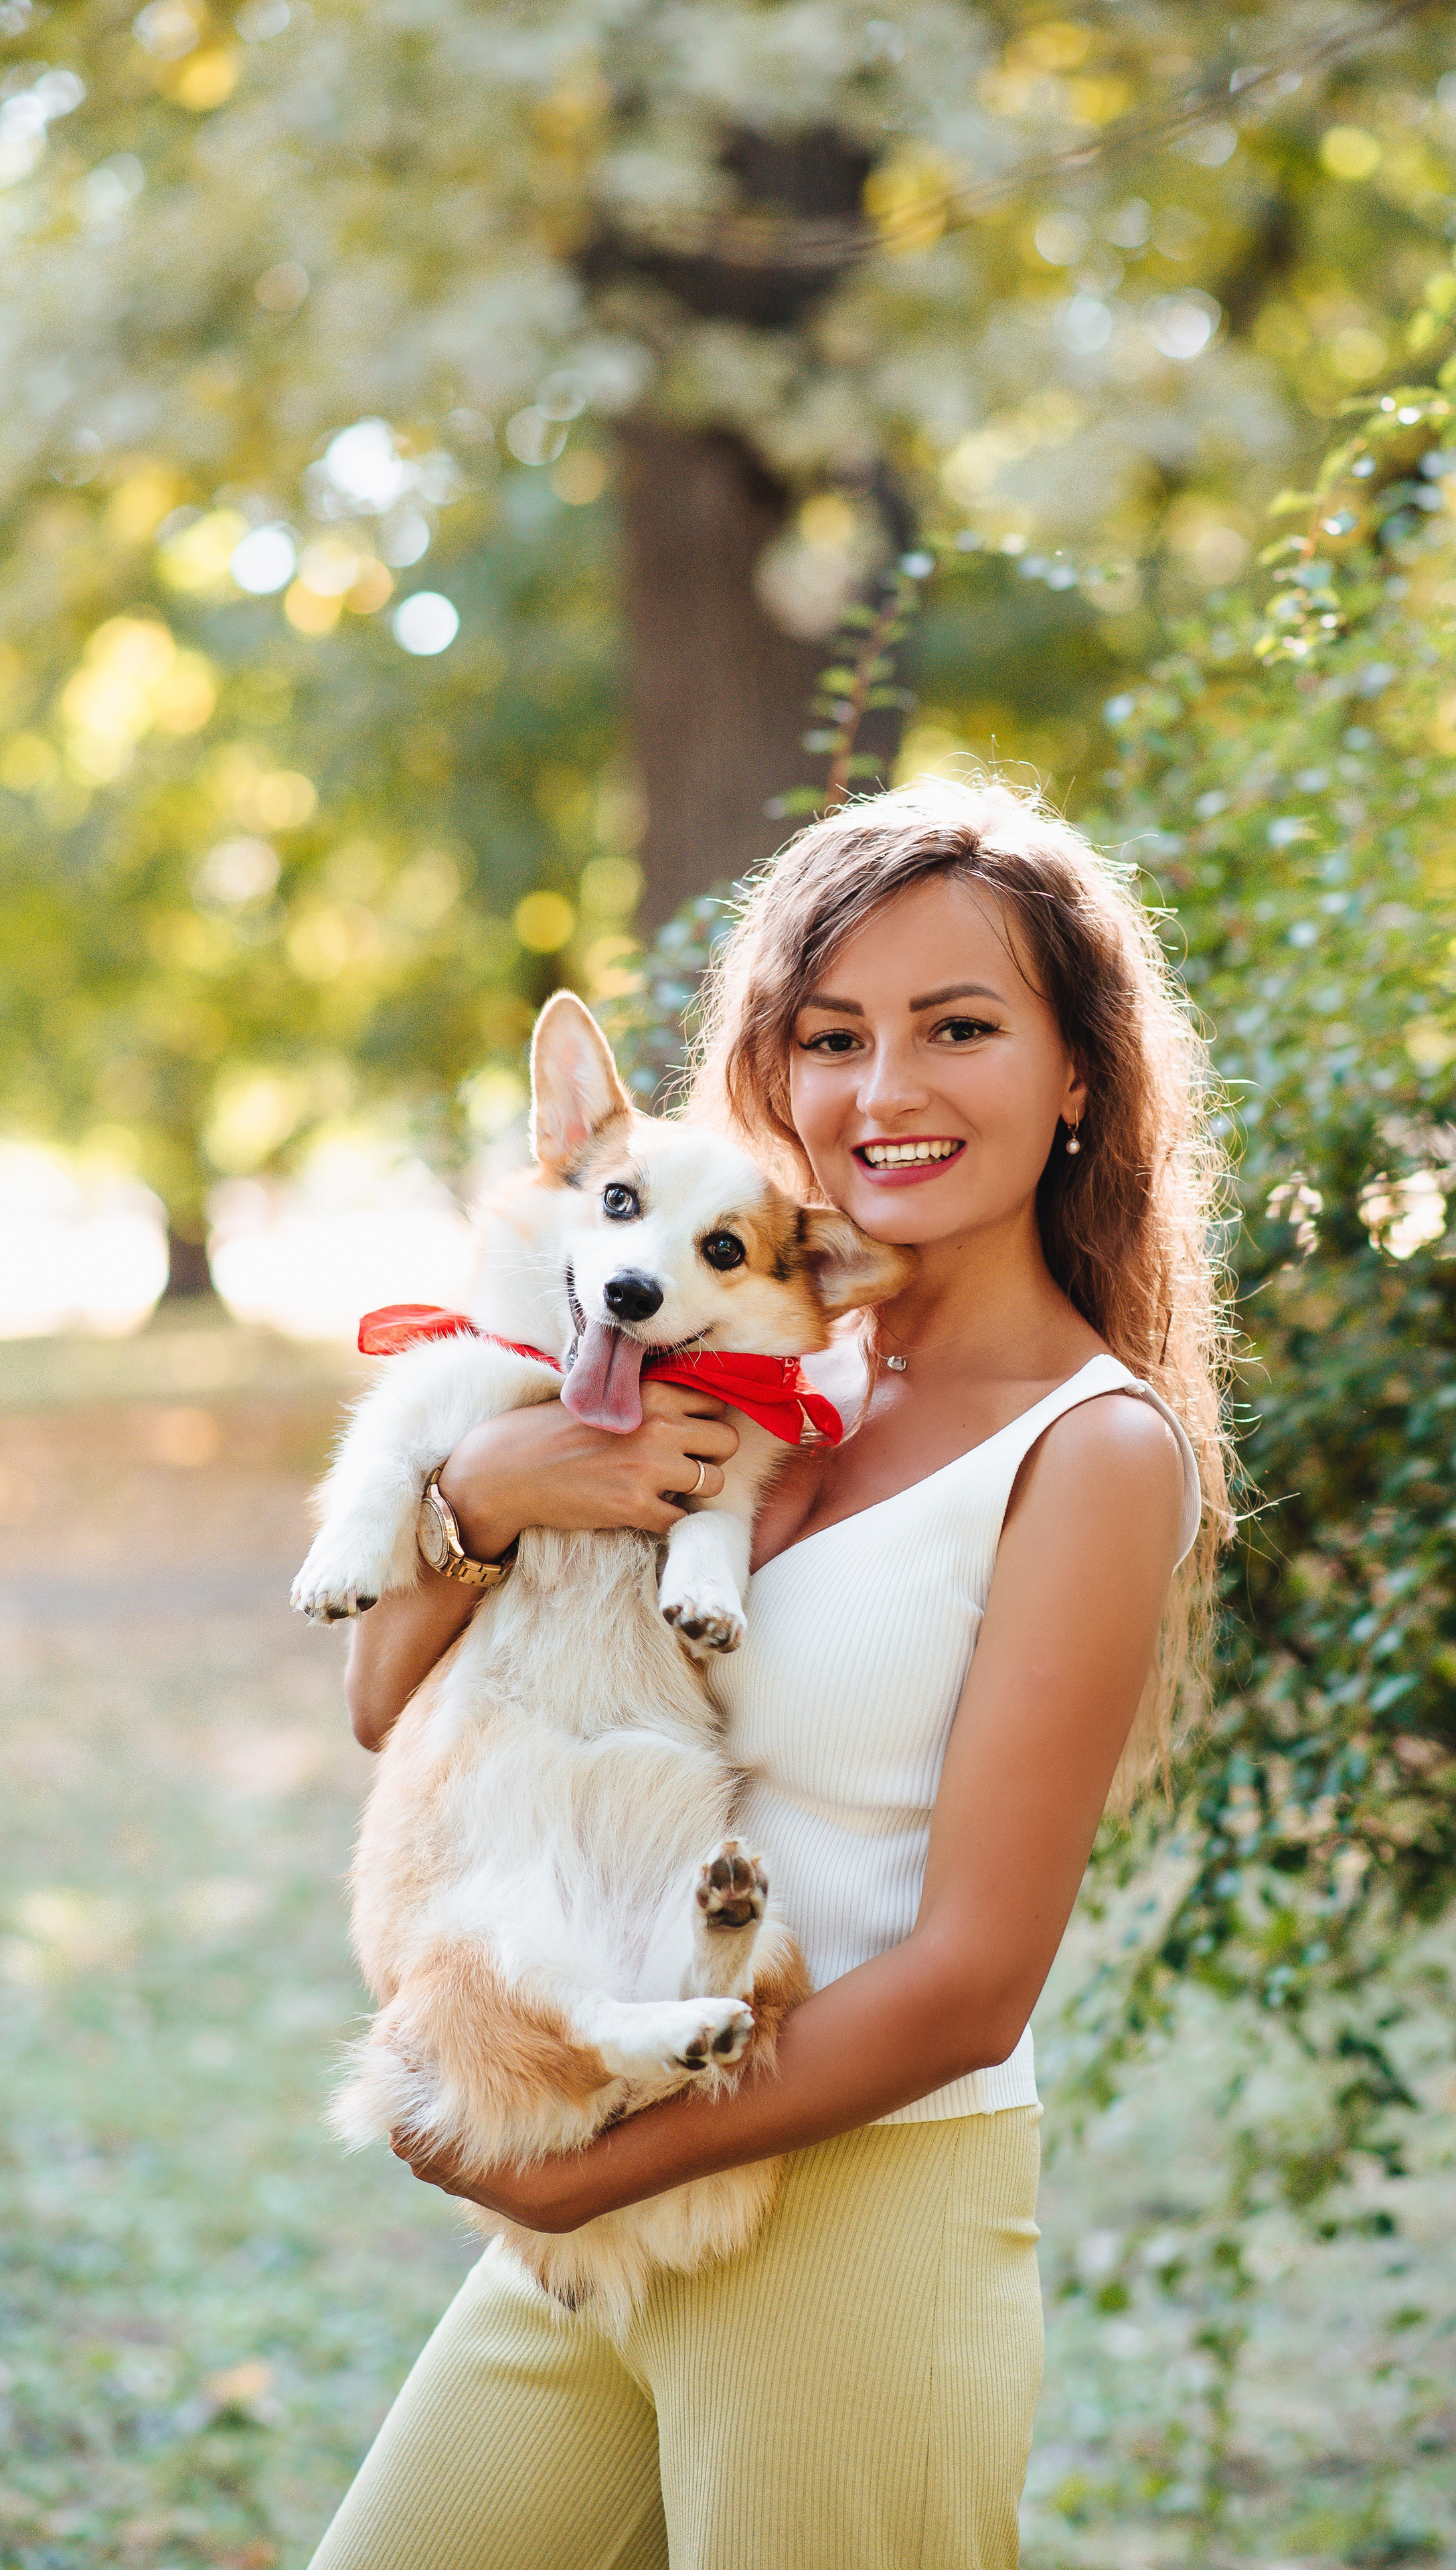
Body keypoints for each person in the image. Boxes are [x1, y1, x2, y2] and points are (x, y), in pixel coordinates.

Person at [311, 777, 1231, 2570]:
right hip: (609, 2212)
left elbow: (972, 1980)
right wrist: (482, 1492)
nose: (885, 1092)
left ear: (1075, 1075)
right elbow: (383, 1710)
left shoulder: (1090, 1450)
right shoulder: (729, 1370)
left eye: (958, 1028)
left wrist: (577, 2162)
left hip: (853, 2203)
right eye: (834, 1037)